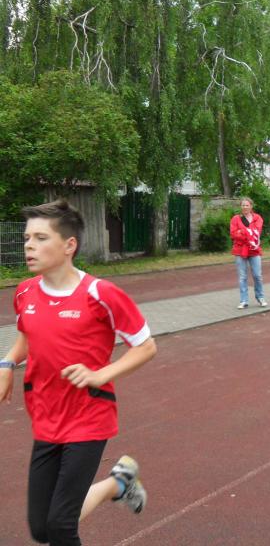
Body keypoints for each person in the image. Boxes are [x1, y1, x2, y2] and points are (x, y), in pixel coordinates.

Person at [0, 199, 157, 546]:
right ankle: (118, 483)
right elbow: (27, 336)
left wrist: (101, 375)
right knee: (42, 529)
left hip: (88, 415)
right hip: (45, 414)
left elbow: (146, 346)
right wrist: (7, 362)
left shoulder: (100, 294)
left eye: (41, 238)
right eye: (27, 238)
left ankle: (116, 484)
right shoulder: (25, 292)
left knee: (60, 527)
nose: (29, 246)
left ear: (69, 245)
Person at [230, 197, 267, 309]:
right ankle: (244, 300)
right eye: (243, 205)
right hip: (240, 250)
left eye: (247, 205)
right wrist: (247, 233)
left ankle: (260, 297)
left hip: (254, 250)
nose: (245, 207)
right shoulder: (236, 219)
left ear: (251, 206)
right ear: (240, 207)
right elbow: (233, 234)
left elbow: (256, 232)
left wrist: (242, 232)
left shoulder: (257, 218)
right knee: (242, 277)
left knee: (257, 275)